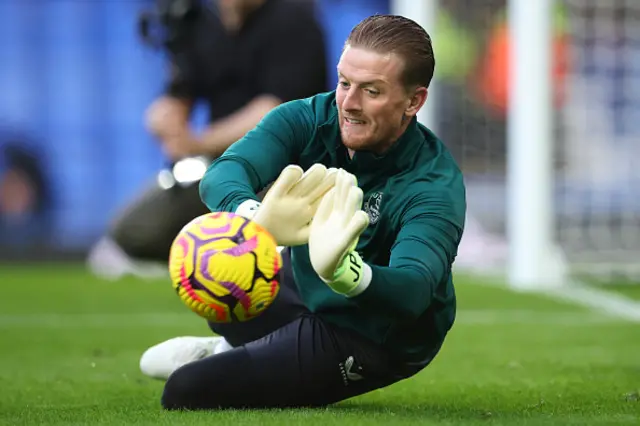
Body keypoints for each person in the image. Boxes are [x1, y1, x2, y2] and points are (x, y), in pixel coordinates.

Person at [140, 14, 467, 410]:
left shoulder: (432, 184)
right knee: (224, 283)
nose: (349, 103)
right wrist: (254, 217)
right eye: (344, 82)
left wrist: (349, 275)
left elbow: (413, 292)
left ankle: (223, 356)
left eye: (372, 91)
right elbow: (222, 174)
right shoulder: (310, 118)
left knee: (184, 390)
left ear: (413, 101)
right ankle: (234, 347)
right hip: (307, 284)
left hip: (370, 333)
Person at [87, 0, 328, 278]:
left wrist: (198, 142)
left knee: (266, 228)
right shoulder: (201, 22)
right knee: (133, 230)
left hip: (285, 168)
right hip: (221, 166)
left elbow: (274, 112)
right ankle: (205, 258)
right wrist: (166, 119)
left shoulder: (294, 19)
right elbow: (179, 94)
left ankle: (250, 259)